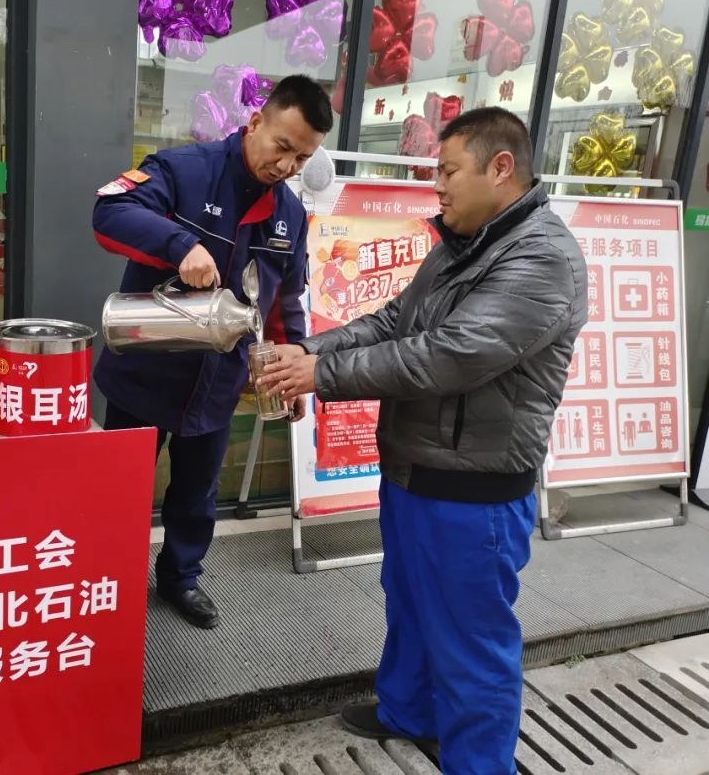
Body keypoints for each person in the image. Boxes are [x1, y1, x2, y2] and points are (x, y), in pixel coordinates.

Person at [259, 107, 588, 773]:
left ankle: (479, 764)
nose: (436, 185)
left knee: (471, 642)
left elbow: (449, 356)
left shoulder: (543, 257)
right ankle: (408, 712)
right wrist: (309, 352)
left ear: (501, 169)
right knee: (409, 602)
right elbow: (393, 322)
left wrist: (321, 375)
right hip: (416, 469)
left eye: (448, 170)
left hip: (475, 491)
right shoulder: (463, 242)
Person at [92, 75, 333, 629]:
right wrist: (180, 245)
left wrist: (292, 367)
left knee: (198, 493)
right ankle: (110, 578)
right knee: (121, 490)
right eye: (282, 147)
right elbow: (109, 213)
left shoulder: (289, 215)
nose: (287, 166)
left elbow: (283, 301)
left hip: (218, 380)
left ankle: (181, 578)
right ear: (256, 122)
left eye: (302, 158)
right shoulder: (184, 169)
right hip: (147, 369)